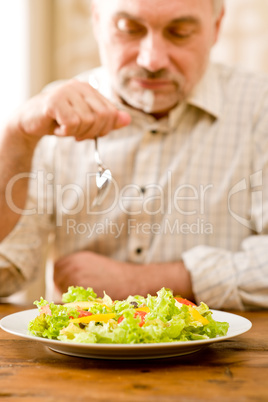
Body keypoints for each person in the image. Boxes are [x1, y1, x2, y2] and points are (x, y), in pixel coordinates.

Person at [0, 0, 268, 309]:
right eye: (129, 29)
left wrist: (148, 281)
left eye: (180, 32)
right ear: (97, 22)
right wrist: (16, 137)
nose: (152, 60)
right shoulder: (53, 116)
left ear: (216, 27)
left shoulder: (260, 107)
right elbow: (4, 273)